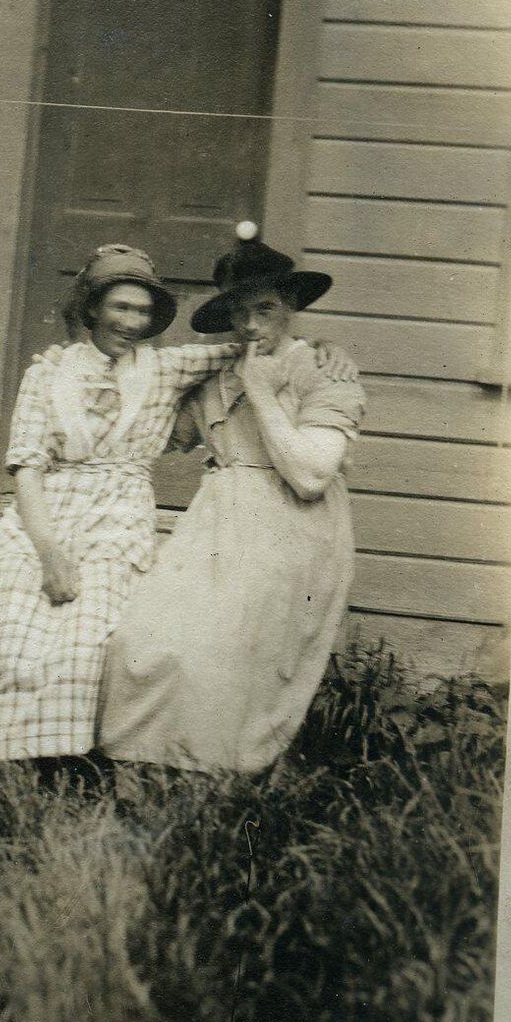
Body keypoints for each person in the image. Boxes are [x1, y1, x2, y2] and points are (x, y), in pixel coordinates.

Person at [0, 244, 249, 772]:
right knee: (10, 626)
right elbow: (27, 468)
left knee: (87, 637)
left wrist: (317, 351)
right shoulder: (48, 374)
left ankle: (77, 768)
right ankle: (20, 770)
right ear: (94, 308)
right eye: (121, 307)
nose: (132, 321)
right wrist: (50, 554)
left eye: (142, 311)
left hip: (118, 518)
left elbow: (246, 349)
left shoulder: (165, 369)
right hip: (45, 513)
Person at [100, 231, 365, 773]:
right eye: (239, 312)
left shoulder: (322, 370)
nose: (250, 325)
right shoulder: (216, 374)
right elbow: (155, 434)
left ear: (290, 306)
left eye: (264, 309)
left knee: (220, 653)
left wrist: (263, 390)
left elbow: (311, 476)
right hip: (218, 522)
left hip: (293, 526)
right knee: (140, 638)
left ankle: (216, 781)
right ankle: (143, 773)